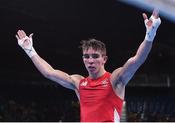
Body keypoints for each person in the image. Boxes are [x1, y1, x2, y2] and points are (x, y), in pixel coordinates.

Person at [15, 9, 161, 122]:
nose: (90, 60)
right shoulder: (78, 82)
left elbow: (137, 60)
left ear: (104, 59)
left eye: (95, 56)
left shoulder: (115, 79)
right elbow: (49, 72)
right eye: (86, 56)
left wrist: (150, 34)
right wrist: (29, 50)